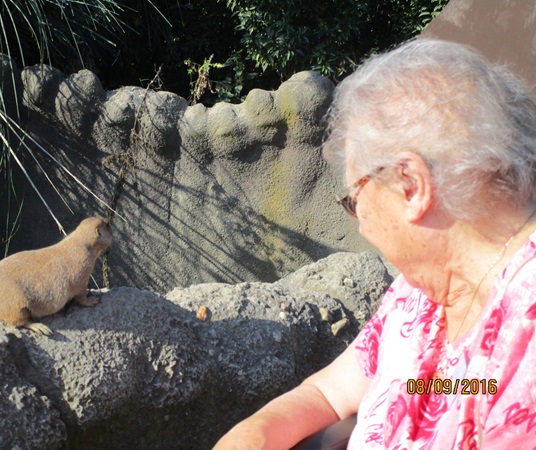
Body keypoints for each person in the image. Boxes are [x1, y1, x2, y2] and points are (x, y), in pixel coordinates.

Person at [213, 38, 536, 449]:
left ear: (410, 185)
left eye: (354, 199)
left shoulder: (524, 335)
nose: (360, 224)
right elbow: (327, 394)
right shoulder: (417, 295)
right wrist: (250, 437)